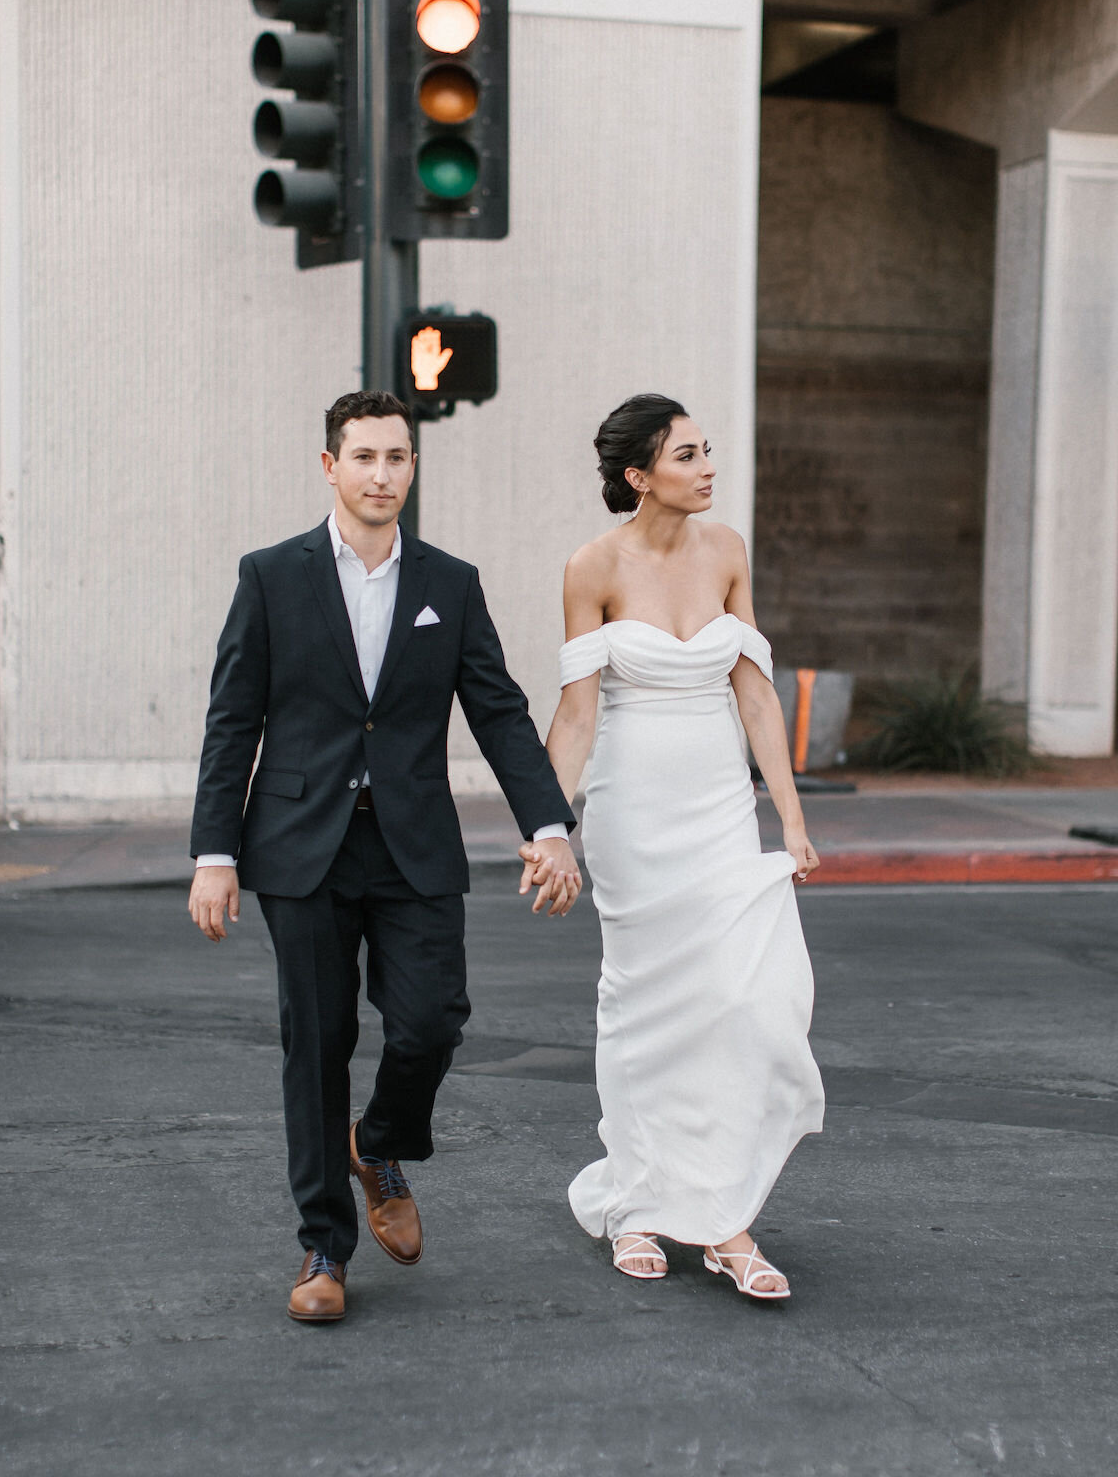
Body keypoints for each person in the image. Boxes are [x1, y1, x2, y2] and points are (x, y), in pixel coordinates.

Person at [188, 390, 580, 1325]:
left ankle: (382, 1138)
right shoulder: (271, 576)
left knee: (432, 1021)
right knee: (316, 1045)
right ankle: (324, 1249)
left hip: (412, 844)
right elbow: (232, 721)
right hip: (299, 848)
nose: (381, 474)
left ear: (412, 466)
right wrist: (214, 851)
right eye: (363, 457)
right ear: (330, 466)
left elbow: (498, 710)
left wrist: (551, 825)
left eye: (397, 458)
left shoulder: (450, 582)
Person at [524, 393, 825, 1298]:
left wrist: (792, 819)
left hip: (721, 806)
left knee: (745, 999)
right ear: (638, 475)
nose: (707, 467)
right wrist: (549, 828)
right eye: (688, 455)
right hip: (633, 810)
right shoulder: (592, 566)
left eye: (706, 452)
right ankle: (643, 1206)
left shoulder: (727, 549)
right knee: (647, 1008)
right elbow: (577, 714)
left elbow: (758, 694)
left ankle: (725, 1210)